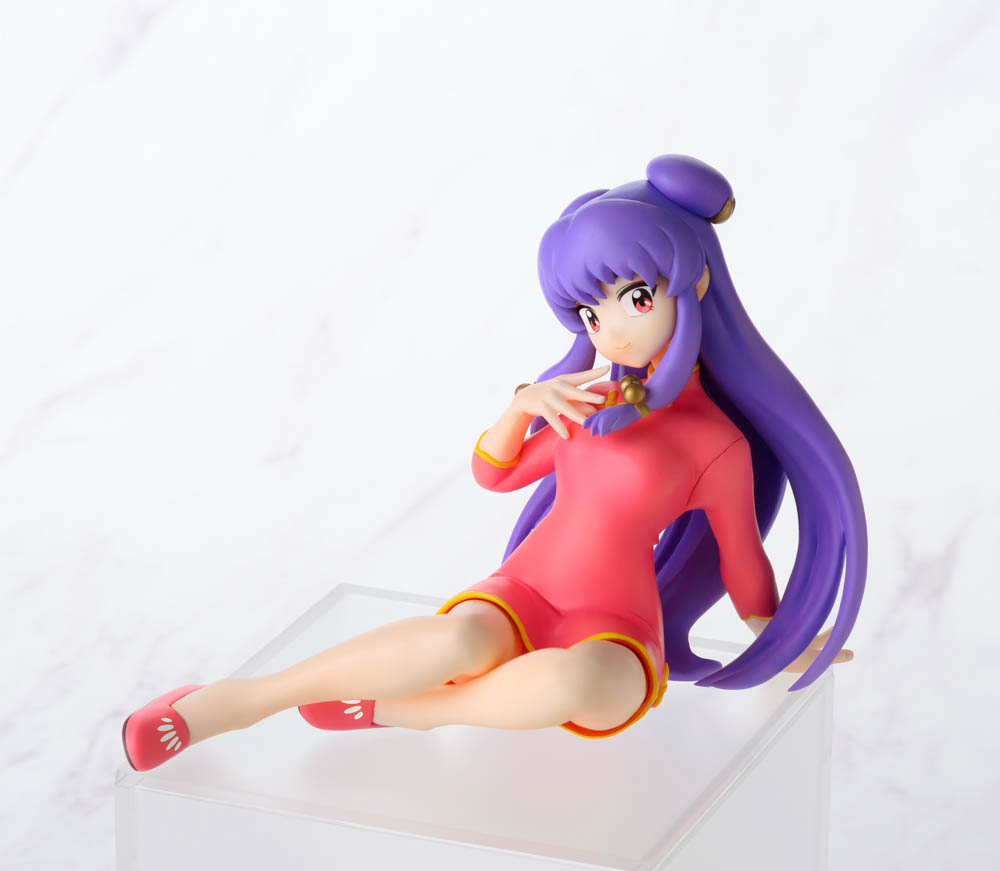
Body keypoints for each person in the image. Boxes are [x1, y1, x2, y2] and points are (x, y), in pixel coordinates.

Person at [121, 154, 866, 772]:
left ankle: (401, 713)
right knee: (458, 639)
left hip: (617, 629)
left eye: (635, 298)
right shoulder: (587, 401)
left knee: (572, 681)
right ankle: (231, 704)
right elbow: (496, 475)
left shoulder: (717, 444)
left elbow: (741, 562)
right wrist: (520, 408)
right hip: (525, 591)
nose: (608, 331)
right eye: (590, 313)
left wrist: (779, 634)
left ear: (694, 283)